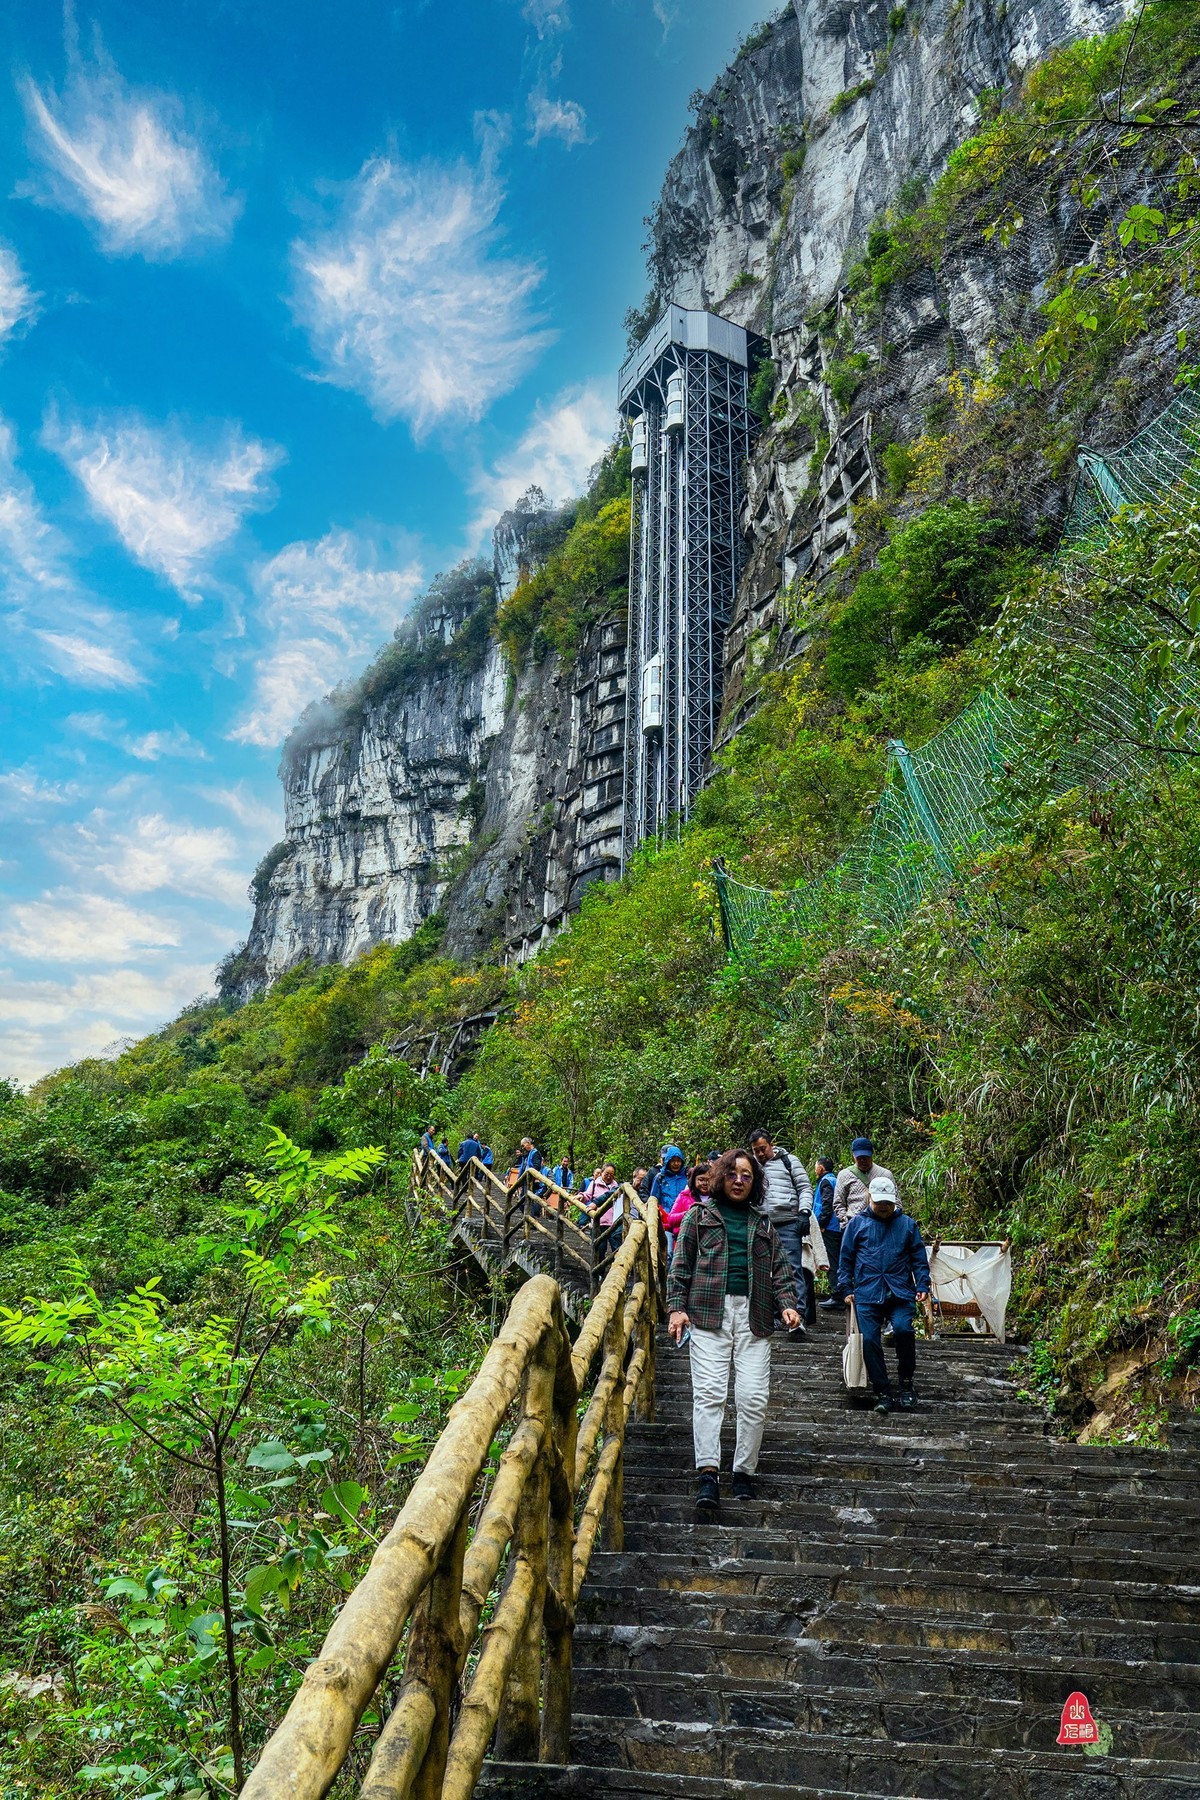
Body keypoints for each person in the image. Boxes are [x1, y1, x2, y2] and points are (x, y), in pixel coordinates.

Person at [667, 1147, 802, 1519]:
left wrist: (788, 1304)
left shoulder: (763, 1222)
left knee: (753, 1397)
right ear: (720, 1177)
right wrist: (676, 1308)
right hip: (708, 1314)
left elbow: (780, 1270)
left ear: (755, 1182)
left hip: (754, 1316)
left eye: (747, 1175)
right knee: (709, 1394)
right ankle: (708, 1472)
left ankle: (744, 1469)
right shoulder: (698, 1216)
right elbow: (680, 1266)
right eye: (733, 1173)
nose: (739, 1180)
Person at [838, 1172, 930, 1414]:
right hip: (867, 1292)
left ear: (894, 1201)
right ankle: (882, 1390)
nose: (884, 1208)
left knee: (903, 1330)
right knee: (869, 1340)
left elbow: (919, 1259)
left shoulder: (907, 1225)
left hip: (900, 1291)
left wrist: (922, 1285)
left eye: (888, 1204)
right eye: (879, 1203)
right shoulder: (857, 1224)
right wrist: (845, 1287)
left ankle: (906, 1383)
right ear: (870, 1198)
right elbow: (845, 1258)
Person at [748, 1129, 813, 1342]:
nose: (760, 1154)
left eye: (762, 1149)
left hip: (788, 1222)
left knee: (792, 1268)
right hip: (762, 1222)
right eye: (755, 1151)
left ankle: (798, 1315)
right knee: (763, 1270)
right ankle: (776, 1315)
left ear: (771, 1144)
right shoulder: (752, 1167)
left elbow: (804, 1187)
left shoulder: (789, 1161)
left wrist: (804, 1212)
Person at [833, 1137, 898, 1229]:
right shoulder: (844, 1175)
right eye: (859, 1158)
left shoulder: (885, 1174)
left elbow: (896, 1202)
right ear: (853, 1156)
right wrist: (846, 1224)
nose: (863, 1161)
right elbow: (838, 1202)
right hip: (855, 1225)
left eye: (866, 1157)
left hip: (883, 1225)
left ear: (872, 1155)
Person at [813, 1155, 844, 1308]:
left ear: (821, 1168)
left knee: (831, 1261)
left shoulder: (826, 1181)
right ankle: (840, 1293)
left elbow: (827, 1203)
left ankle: (837, 1296)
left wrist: (821, 1223)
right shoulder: (833, 1179)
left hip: (830, 1228)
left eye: (816, 1166)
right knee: (837, 1260)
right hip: (836, 1227)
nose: (815, 1169)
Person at [664, 1161, 710, 1255]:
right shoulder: (684, 1196)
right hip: (685, 1241)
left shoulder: (718, 1198)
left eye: (709, 1180)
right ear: (694, 1180)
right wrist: (690, 1213)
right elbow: (671, 1219)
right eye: (701, 1179)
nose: (705, 1183)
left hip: (710, 1242)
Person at [651, 1146, 688, 1223]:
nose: (676, 1164)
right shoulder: (660, 1177)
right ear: (668, 1162)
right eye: (673, 1161)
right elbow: (653, 1199)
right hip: (665, 1218)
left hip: (684, 1218)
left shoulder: (687, 1176)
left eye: (678, 1161)